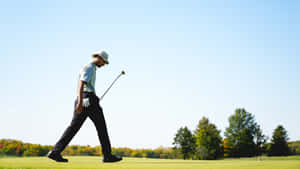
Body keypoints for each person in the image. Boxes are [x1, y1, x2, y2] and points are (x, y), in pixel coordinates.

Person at [47, 50, 122, 163]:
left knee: (73, 128)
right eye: (104, 62)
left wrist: (84, 99)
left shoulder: (90, 67)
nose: (103, 65)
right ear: (99, 58)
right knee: (101, 127)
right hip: (87, 99)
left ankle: (55, 152)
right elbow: (81, 84)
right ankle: (107, 156)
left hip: (87, 99)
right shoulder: (90, 67)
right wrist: (80, 102)